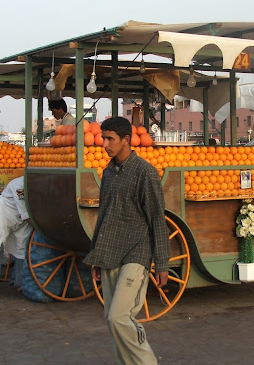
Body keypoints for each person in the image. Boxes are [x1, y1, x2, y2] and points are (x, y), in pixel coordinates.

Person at [84, 116, 170, 364]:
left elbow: (157, 219)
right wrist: (96, 256)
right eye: (103, 138)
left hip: (137, 253)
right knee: (112, 321)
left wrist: (162, 263)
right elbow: (104, 215)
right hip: (110, 253)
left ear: (126, 140)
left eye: (110, 139)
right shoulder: (108, 172)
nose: (105, 144)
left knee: (119, 318)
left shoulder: (145, 173)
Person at [0, 177, 33, 297]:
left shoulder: (36, 185)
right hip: (4, 214)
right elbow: (25, 212)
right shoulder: (18, 185)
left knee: (23, 249)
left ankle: (20, 282)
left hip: (21, 220)